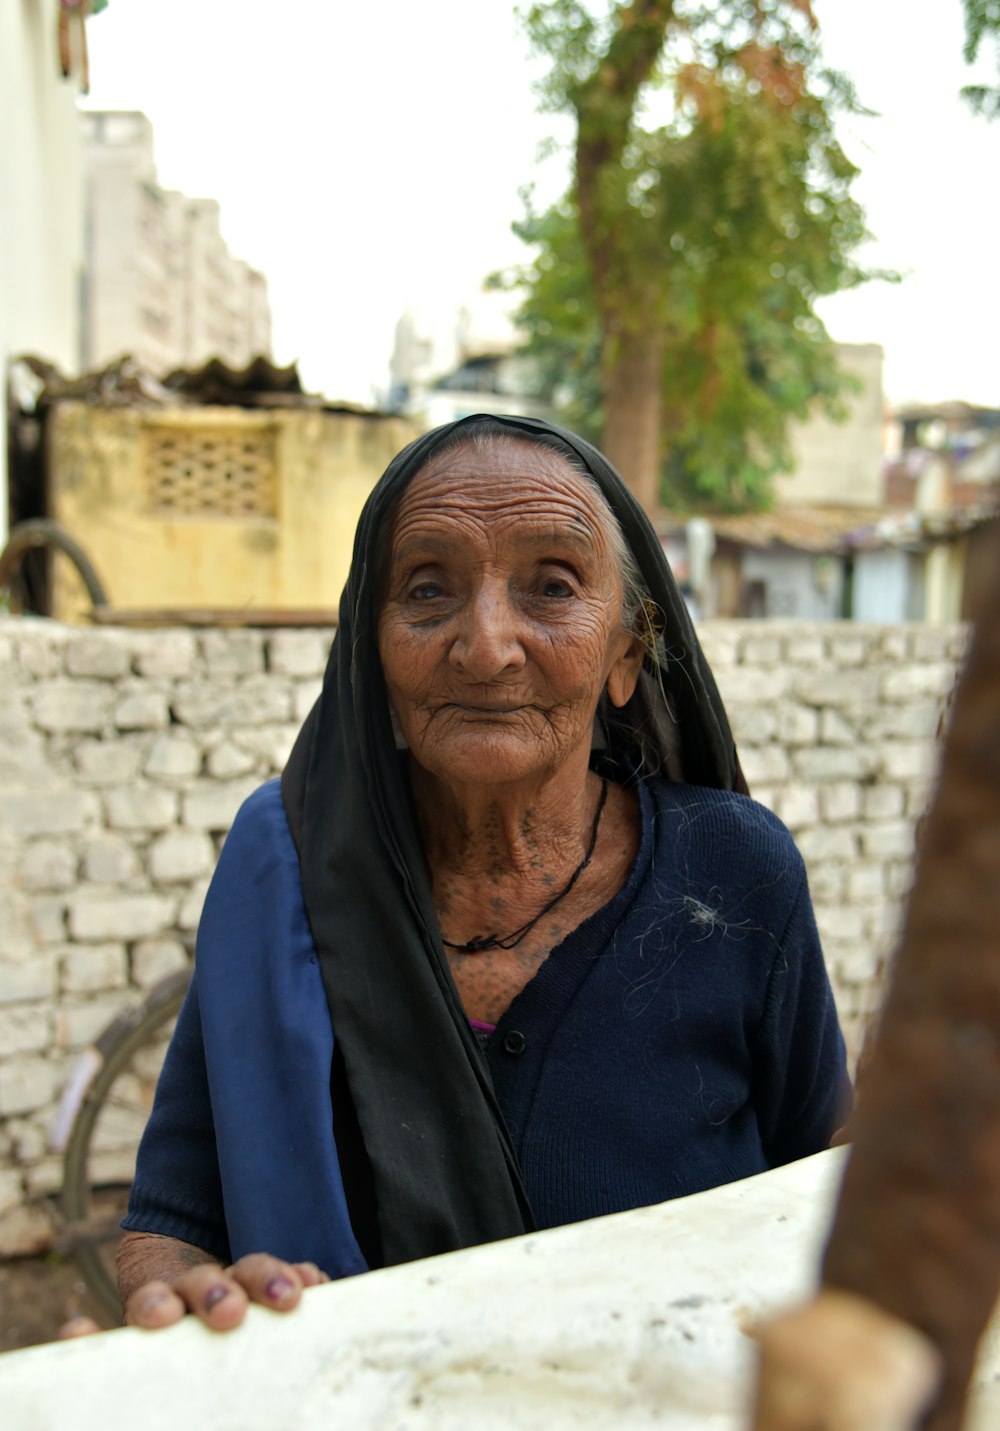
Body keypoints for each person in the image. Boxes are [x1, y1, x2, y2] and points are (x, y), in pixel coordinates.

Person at [113, 414, 850, 1333]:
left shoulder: (737, 871)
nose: (487, 644)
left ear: (627, 651)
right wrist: (184, 1294)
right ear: (368, 649)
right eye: (428, 589)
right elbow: (167, 1226)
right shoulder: (289, 877)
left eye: (552, 586)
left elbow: (816, 1182)